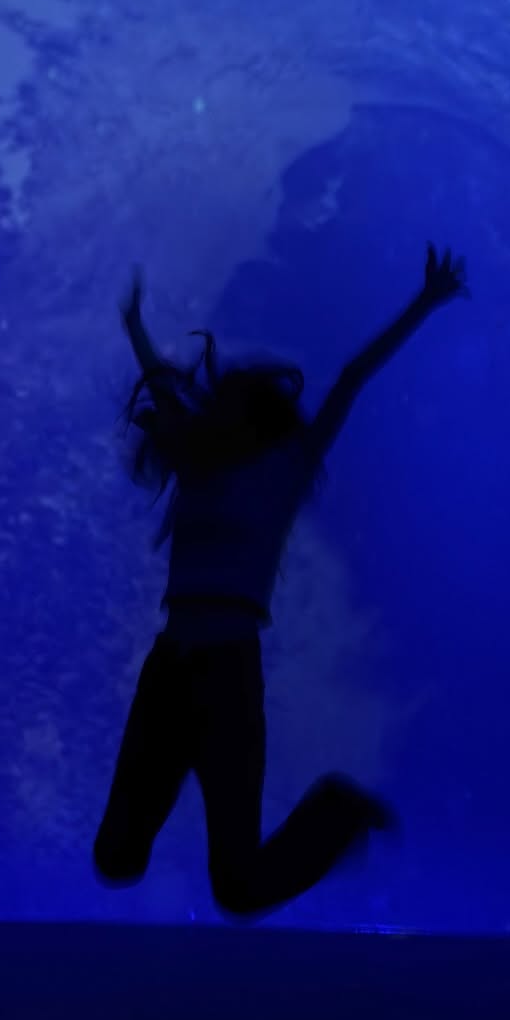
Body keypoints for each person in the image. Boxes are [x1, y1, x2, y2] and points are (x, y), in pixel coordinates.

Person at [94, 244, 471, 917]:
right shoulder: (198, 462)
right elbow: (162, 386)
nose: (218, 409)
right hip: (169, 670)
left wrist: (424, 302)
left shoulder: (286, 470)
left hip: (226, 676)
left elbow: (352, 377)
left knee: (238, 889)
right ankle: (181, 784)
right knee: (116, 858)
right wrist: (133, 324)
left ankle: (338, 810)